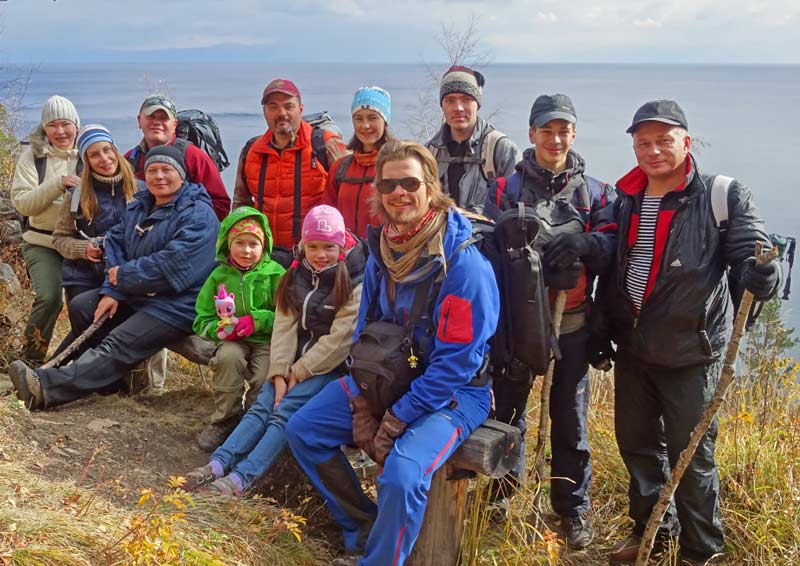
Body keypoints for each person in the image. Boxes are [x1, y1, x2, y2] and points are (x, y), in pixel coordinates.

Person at [286, 141, 500, 566]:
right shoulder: (382, 250)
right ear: (377, 191)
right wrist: (364, 403)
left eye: (410, 182)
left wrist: (396, 419)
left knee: (402, 475)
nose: (399, 192)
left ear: (431, 188)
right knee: (303, 429)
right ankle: (364, 526)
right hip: (388, 377)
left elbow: (458, 362)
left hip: (453, 393)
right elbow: (365, 332)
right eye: (389, 184)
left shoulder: (461, 263)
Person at [604, 100, 780, 565]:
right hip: (635, 350)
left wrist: (763, 278)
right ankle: (651, 534)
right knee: (637, 447)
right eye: (644, 142)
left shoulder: (721, 194)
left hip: (692, 353)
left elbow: (752, 256)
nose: (654, 150)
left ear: (686, 140)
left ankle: (701, 552)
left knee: (693, 459)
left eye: (664, 140)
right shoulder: (627, 198)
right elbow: (615, 266)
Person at [483, 94, 617, 547]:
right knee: (509, 413)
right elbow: (486, 246)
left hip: (573, 324)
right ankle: (502, 495)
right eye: (546, 130)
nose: (555, 138)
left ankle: (571, 508)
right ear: (531, 133)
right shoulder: (505, 189)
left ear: (574, 134)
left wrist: (585, 246)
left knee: (570, 420)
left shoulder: (596, 192)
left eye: (563, 130)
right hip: (518, 327)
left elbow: (613, 248)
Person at [8, 145, 218, 410]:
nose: (159, 176)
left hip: (178, 304)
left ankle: (44, 389)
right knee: (83, 307)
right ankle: (110, 384)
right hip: (140, 293)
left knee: (118, 342)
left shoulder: (198, 214)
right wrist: (112, 290)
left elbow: (172, 264)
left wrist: (124, 276)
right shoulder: (142, 206)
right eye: (153, 170)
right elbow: (115, 243)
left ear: (182, 174)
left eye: (167, 170)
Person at [183, 205, 366, 495]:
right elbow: (284, 325)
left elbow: (340, 341)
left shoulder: (355, 281)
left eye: (329, 247)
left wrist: (299, 372)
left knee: (285, 410)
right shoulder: (297, 274)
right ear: (302, 245)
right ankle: (218, 463)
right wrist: (280, 370)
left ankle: (241, 479)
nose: (320, 255)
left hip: (330, 368)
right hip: (293, 362)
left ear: (341, 245)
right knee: (262, 405)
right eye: (312, 246)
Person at [191, 206, 286, 451]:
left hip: (267, 339)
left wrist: (257, 320)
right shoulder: (218, 276)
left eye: (254, 244)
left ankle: (255, 422)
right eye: (239, 242)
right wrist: (219, 330)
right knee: (228, 359)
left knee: (265, 373)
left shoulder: (276, 274)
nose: (246, 250)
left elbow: (288, 315)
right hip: (232, 340)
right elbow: (202, 319)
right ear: (227, 244)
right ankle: (225, 419)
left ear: (264, 246)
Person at [232, 78, 349, 249]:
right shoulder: (251, 151)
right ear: (264, 112)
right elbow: (240, 204)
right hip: (266, 258)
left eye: (288, 106)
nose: (281, 113)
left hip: (314, 256)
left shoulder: (325, 144)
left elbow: (350, 196)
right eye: (273, 107)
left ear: (300, 109)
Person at [11, 95, 81, 364]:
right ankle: (30, 361)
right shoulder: (33, 157)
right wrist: (58, 184)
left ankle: (76, 366)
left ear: (76, 124)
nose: (60, 131)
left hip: (79, 245)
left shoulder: (89, 154)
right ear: (44, 128)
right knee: (50, 297)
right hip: (41, 242)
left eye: (65, 124)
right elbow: (24, 204)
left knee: (83, 306)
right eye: (52, 125)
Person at [53, 124, 137, 304]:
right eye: (94, 155)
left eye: (107, 150)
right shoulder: (77, 196)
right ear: (86, 161)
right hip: (84, 276)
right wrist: (84, 249)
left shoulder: (140, 190)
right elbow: (59, 239)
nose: (104, 158)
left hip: (126, 271)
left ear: (115, 150)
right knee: (83, 314)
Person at [426, 65, 520, 212]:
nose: (458, 108)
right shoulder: (429, 153)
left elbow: (515, 209)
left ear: (477, 104)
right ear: (442, 106)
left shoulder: (501, 150)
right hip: (440, 234)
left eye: (466, 99)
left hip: (489, 233)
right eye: (450, 100)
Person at [124, 95, 230, 220]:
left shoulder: (193, 156)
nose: (157, 122)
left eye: (164, 118)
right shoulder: (130, 159)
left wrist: (186, 226)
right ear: (139, 121)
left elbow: (221, 204)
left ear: (174, 124)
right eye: (150, 117)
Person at [326, 86, 393, 238]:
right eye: (359, 118)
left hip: (386, 255)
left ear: (385, 121)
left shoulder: (396, 166)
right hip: (346, 254)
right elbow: (328, 214)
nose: (365, 125)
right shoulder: (340, 168)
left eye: (372, 117)